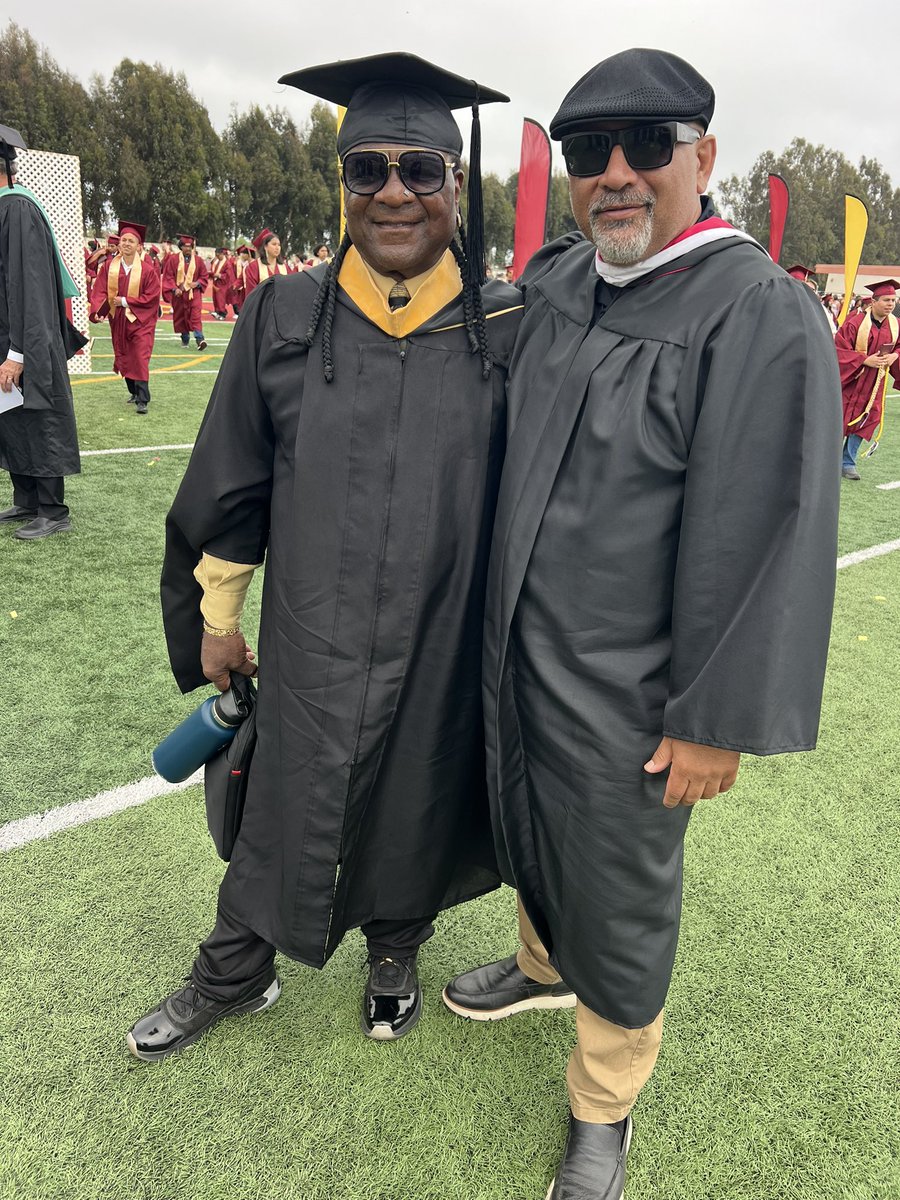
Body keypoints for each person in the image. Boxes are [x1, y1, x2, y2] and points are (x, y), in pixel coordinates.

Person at [441, 49, 841, 1200]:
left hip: (633, 681)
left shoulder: (753, 310)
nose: (615, 174)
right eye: (588, 154)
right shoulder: (567, 282)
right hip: (520, 640)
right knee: (523, 812)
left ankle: (604, 1100)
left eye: (646, 148)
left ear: (703, 158)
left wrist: (715, 717)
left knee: (617, 876)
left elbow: (769, 526)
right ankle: (538, 964)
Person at [126, 52, 521, 1062]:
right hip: (312, 632)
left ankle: (394, 951)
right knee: (281, 808)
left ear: (455, 184)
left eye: (421, 170)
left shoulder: (508, 327)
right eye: (367, 169)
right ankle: (234, 971)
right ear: (341, 184)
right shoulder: (285, 316)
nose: (393, 192)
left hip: (441, 633)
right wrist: (217, 619)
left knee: (417, 798)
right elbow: (232, 479)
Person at [0, 124, 85, 540]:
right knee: (12, 417)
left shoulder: (17, 208)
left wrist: (17, 352)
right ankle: (27, 498)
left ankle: (53, 509)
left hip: (27, 336)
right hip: (8, 335)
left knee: (39, 415)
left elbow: (28, 285)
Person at [88, 220, 161, 415]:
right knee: (124, 354)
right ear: (119, 243)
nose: (127, 243)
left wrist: (126, 302)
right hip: (118, 320)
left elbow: (152, 297)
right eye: (124, 240)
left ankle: (143, 398)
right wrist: (98, 310)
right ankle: (134, 392)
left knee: (139, 355)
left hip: (141, 321)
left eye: (131, 241)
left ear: (139, 246)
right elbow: (100, 291)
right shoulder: (110, 267)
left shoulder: (147, 270)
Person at [834, 279, 899, 479]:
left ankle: (848, 462)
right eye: (886, 300)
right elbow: (838, 350)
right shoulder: (854, 323)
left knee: (867, 419)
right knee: (840, 417)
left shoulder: (895, 325)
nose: (891, 304)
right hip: (852, 380)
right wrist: (863, 360)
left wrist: (895, 356)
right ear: (874, 301)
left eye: (894, 300)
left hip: (875, 383)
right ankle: (830, 459)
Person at [161, 233, 208, 349]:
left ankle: (200, 340)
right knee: (182, 317)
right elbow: (168, 277)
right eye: (185, 246)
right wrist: (174, 288)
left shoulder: (198, 261)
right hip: (179, 294)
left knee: (195, 316)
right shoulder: (173, 259)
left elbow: (204, 276)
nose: (188, 248)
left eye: (190, 246)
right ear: (180, 246)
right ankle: (185, 339)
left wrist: (197, 283)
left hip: (194, 294)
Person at [241, 228, 288, 300]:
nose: (277, 247)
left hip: (282, 308)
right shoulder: (254, 267)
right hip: (262, 308)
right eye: (274, 244)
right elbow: (252, 294)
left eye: (279, 245)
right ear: (265, 247)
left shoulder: (285, 267)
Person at [209, 247, 232, 319]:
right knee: (215, 298)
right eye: (216, 255)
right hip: (216, 282)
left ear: (222, 254)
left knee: (220, 299)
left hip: (223, 284)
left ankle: (223, 313)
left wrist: (219, 275)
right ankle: (217, 312)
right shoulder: (217, 261)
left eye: (218, 255)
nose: (217, 257)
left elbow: (228, 274)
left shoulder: (227, 263)